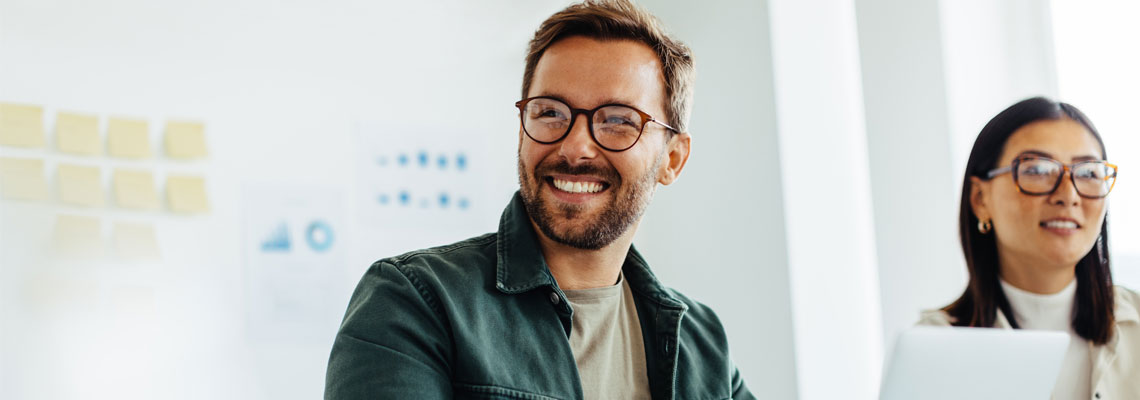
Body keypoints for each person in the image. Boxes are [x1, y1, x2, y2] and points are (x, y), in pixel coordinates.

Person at [325, 1, 753, 398]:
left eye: (619, 121)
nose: (575, 147)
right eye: (550, 113)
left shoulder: (703, 343)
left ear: (672, 160)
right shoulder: (414, 301)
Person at [918, 97, 1137, 399]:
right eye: (1036, 169)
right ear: (981, 199)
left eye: (1088, 173)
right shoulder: (931, 350)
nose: (1068, 195)